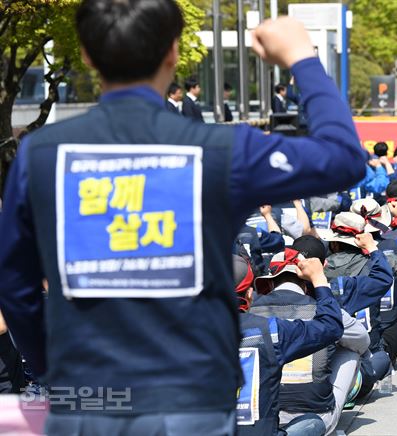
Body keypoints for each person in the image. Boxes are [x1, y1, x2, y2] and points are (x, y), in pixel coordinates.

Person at [0, 1, 367, 434]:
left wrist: (49, 365)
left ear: (84, 53)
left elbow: (15, 283)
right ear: (173, 51)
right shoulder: (223, 149)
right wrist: (301, 57)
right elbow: (344, 158)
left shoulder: (41, 153)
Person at [233, 254, 343, 435]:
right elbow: (331, 327)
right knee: (313, 423)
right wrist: (319, 279)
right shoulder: (270, 330)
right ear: (249, 294)